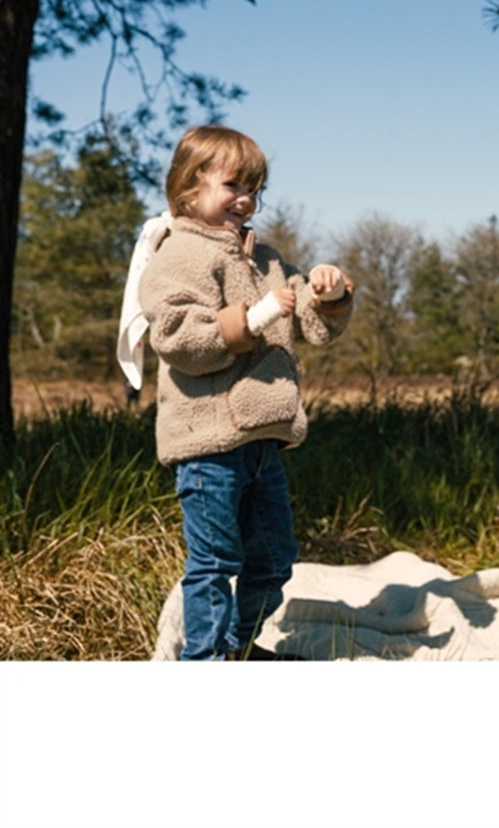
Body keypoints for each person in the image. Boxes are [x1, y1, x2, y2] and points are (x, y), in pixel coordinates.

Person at [133, 125, 355, 661]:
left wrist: (328, 293)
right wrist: (254, 318)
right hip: (207, 444)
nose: (246, 199)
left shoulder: (266, 259)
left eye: (255, 188)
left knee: (274, 558)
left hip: (263, 440)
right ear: (189, 187)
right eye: (233, 185)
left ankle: (238, 647)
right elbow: (179, 338)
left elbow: (311, 322)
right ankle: (204, 659)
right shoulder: (178, 255)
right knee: (214, 562)